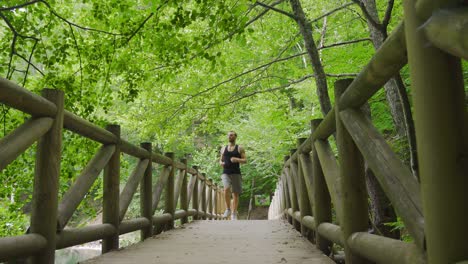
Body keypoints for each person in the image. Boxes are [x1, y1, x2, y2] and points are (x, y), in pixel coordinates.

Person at [219, 131, 247, 220]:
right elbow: (220, 160)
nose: (229, 137)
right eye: (228, 135)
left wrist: (237, 159)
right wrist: (221, 163)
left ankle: (234, 213)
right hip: (225, 172)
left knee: (235, 193)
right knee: (226, 188)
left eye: (231, 135)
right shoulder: (223, 148)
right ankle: (228, 209)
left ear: (235, 136)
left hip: (236, 172)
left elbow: (245, 160)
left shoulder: (240, 148)